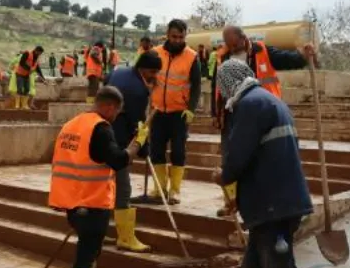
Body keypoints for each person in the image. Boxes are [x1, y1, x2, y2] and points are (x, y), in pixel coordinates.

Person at [211, 59, 319, 268]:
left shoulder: (249, 105)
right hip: (272, 202)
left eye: (221, 87)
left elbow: (238, 157)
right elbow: (264, 158)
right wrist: (239, 198)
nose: (221, 93)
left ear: (228, 84)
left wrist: (223, 176)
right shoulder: (270, 102)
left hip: (275, 206)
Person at [48, 86, 149, 268]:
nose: (115, 117)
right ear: (109, 107)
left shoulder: (73, 124)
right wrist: (138, 142)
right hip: (90, 201)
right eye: (116, 111)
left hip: (73, 200)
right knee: (85, 255)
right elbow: (118, 160)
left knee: (92, 251)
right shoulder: (100, 129)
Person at [211, 26, 315, 217]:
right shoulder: (222, 57)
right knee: (230, 156)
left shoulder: (262, 50)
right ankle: (231, 202)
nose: (232, 48)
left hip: (261, 113)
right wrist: (216, 114)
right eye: (229, 44)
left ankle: (261, 201)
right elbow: (216, 87)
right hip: (231, 113)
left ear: (244, 38)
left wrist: (302, 55)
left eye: (235, 44)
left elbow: (288, 59)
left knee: (258, 157)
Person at [105, 50, 162, 253]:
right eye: (153, 72)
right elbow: (138, 124)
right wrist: (144, 148)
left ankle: (101, 231)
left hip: (101, 134)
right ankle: (126, 238)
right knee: (123, 189)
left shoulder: (118, 72)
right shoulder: (138, 89)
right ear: (144, 69)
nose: (155, 76)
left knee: (103, 187)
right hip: (117, 142)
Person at [149, 19, 201, 204]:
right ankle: (159, 188)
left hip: (179, 113)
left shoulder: (192, 57)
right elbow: (146, 77)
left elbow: (196, 86)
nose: (177, 40)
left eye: (181, 37)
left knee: (178, 152)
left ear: (185, 36)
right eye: (174, 36)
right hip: (157, 112)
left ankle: (175, 191)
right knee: (156, 151)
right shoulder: (155, 53)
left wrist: (191, 109)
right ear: (167, 35)